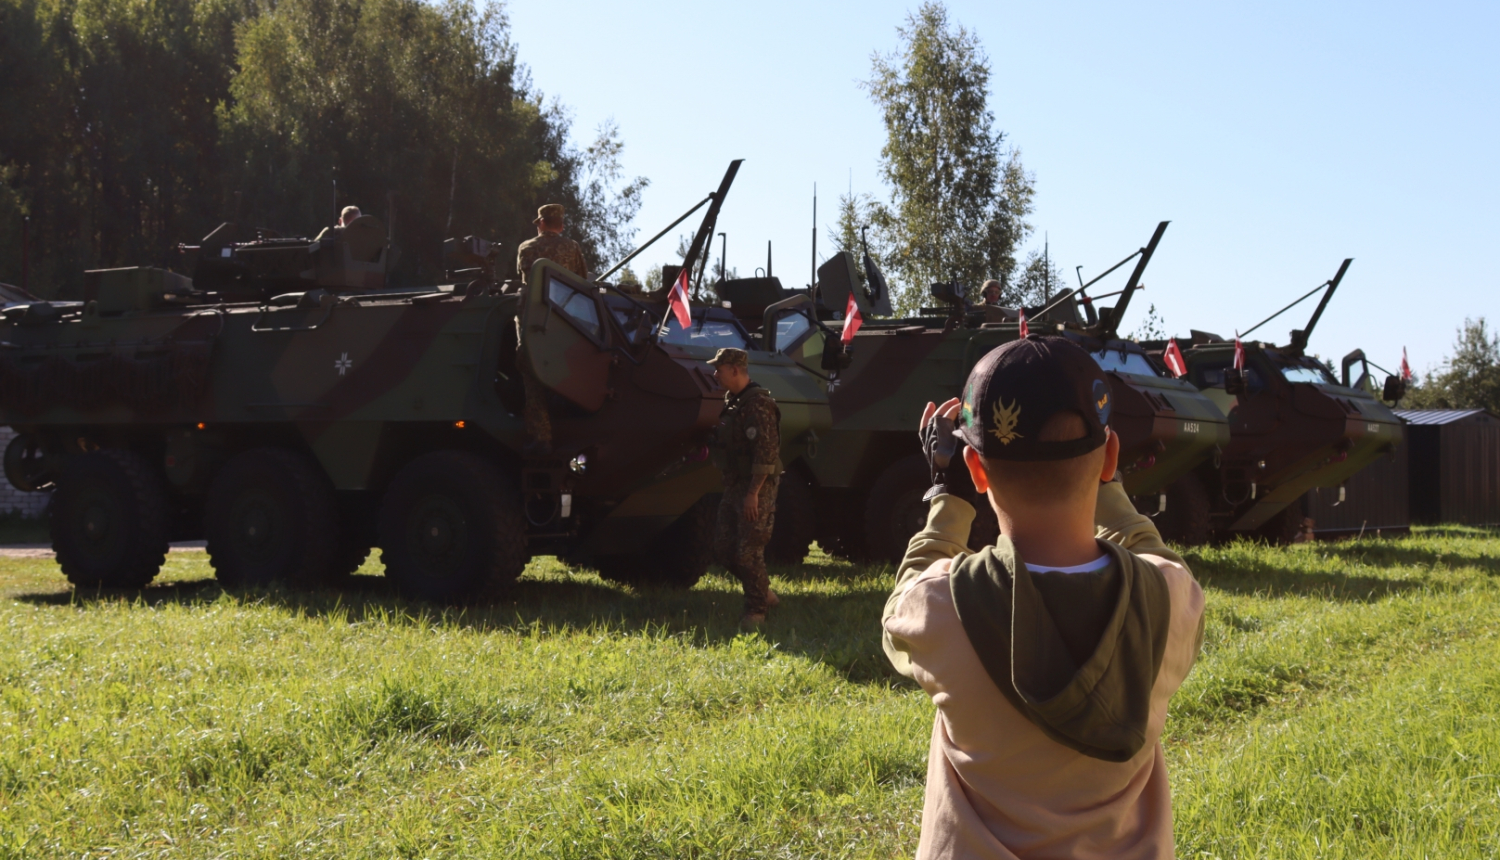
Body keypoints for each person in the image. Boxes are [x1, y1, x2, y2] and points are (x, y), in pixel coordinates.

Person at [883, 335, 1205, 859]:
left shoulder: (942, 606)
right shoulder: (1171, 600)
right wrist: (1108, 485)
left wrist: (947, 498)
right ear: (1111, 459)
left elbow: (903, 599)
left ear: (977, 470)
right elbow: (1153, 552)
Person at [707, 348, 782, 630]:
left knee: (748, 550)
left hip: (756, 487)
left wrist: (753, 493)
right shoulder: (734, 402)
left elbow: (766, 453)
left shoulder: (758, 404)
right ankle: (762, 590)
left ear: (735, 370)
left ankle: (756, 610)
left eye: (720, 369)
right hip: (736, 484)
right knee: (724, 548)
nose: (715, 374)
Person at [514, 204, 589, 455]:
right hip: (566, 322)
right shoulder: (572, 248)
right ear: (561, 225)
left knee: (532, 375)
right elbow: (581, 280)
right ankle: (571, 430)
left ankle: (541, 438)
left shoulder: (526, 247)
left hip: (532, 321)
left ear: (542, 223)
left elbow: (524, 278)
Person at [516, 203, 588, 280]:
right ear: (561, 227)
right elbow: (582, 277)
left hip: (532, 292)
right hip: (563, 292)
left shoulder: (525, 246)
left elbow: (521, 275)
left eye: (538, 224)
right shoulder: (572, 246)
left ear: (542, 223)